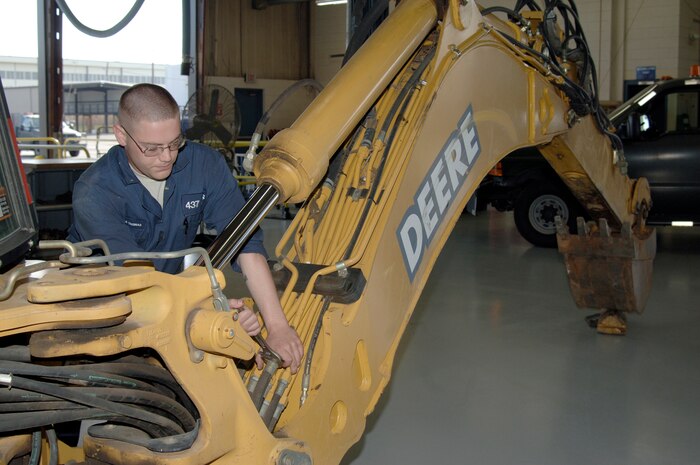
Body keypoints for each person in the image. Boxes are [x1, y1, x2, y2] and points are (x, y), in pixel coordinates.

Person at [67, 83, 303, 372]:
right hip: (101, 310)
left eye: (174, 142)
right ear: (121, 136)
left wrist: (277, 326)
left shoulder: (203, 166)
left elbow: (246, 243)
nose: (166, 156)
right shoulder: (95, 191)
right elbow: (136, 279)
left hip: (167, 300)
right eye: (152, 148)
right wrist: (204, 310)